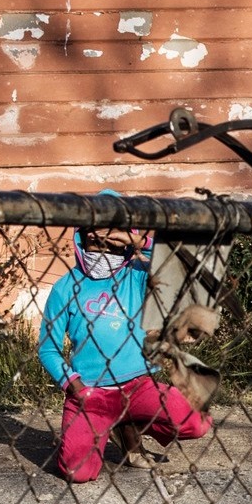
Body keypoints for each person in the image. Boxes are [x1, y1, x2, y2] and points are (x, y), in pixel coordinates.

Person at [37, 204, 214, 484]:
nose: (102, 251)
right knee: (77, 472)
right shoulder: (65, 288)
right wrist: (74, 386)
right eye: (94, 241)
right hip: (92, 395)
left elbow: (194, 263)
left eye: (112, 243)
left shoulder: (138, 276)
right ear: (80, 238)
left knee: (198, 422)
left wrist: (141, 242)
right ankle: (113, 424)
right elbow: (47, 348)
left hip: (138, 386)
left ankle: (129, 421)